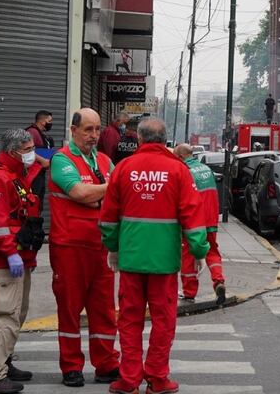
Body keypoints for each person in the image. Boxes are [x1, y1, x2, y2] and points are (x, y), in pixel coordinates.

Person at [100, 120, 210, 394]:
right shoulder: (178, 170)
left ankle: (128, 380)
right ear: (164, 139)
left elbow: (109, 216)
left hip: (131, 258)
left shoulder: (123, 168)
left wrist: (113, 247)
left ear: (139, 138)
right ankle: (158, 379)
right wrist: (199, 251)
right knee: (163, 321)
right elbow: (193, 216)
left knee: (129, 320)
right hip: (164, 261)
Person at [49, 109, 120, 387]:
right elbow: (79, 193)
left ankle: (106, 365)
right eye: (88, 130)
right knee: (69, 308)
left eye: (97, 129)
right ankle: (71, 367)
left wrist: (98, 194)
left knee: (103, 310)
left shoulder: (103, 160)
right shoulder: (62, 160)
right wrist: (107, 189)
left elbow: (114, 194)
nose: (94, 136)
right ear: (73, 130)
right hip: (69, 247)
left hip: (102, 246)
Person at [0, 128, 44, 394]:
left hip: (20, 256)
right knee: (6, 316)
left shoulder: (18, 177)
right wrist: (11, 252)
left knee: (18, 314)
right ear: (13, 151)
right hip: (6, 258)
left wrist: (25, 254)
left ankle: (3, 362)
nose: (32, 155)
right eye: (28, 150)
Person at [173, 143, 224, 306]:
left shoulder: (185, 171)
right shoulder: (206, 169)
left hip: (194, 221)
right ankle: (218, 281)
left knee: (188, 255)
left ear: (180, 156)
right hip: (211, 219)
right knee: (212, 251)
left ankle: (189, 292)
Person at [24, 111, 55, 204]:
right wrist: (43, 161)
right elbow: (27, 150)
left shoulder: (42, 135)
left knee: (38, 200)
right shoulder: (31, 132)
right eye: (50, 121)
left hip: (40, 172)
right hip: (32, 174)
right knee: (33, 201)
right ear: (42, 121)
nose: (51, 123)